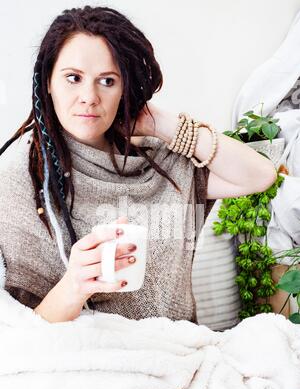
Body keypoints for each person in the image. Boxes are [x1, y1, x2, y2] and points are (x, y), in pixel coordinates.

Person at [0, 5, 277, 324]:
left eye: (107, 81)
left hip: (171, 355)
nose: (89, 96)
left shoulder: (158, 164)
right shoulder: (20, 180)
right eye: (73, 78)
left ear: (124, 88)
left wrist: (160, 123)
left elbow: (260, 175)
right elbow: (20, 339)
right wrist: (74, 285)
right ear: (47, 81)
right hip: (78, 364)